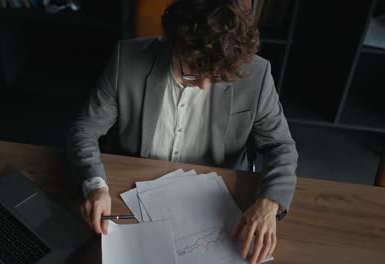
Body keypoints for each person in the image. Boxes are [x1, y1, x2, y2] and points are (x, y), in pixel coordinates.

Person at [67, 0, 298, 263]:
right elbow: (85, 128)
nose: (202, 85)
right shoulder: (127, 58)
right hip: (129, 195)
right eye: (191, 72)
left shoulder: (256, 73)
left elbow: (280, 146)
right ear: (172, 44)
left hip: (217, 201)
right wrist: (95, 185)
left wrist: (269, 203)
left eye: (217, 77)